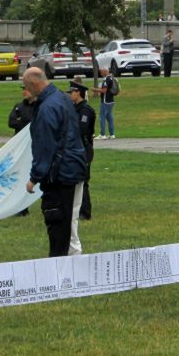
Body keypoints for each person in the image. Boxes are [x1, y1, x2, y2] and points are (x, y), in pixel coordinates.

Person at [21, 68, 88, 258]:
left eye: (26, 87)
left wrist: (34, 178)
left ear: (34, 85)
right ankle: (75, 259)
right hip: (75, 168)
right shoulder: (63, 99)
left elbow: (46, 146)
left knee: (57, 223)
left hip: (60, 174)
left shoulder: (46, 108)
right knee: (71, 220)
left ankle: (59, 270)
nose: (26, 91)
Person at [67, 80, 96, 253]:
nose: (70, 95)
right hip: (75, 150)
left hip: (84, 149)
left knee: (83, 181)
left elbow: (82, 130)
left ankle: (85, 211)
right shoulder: (74, 109)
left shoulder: (85, 111)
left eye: (72, 92)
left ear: (78, 93)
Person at [7, 82, 37, 216]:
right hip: (22, 148)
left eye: (27, 89)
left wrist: (23, 121)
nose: (24, 92)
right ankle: (21, 208)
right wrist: (25, 122)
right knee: (21, 176)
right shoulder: (19, 106)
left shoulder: (40, 106)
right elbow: (11, 122)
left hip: (36, 145)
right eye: (23, 90)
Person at [96, 67, 119, 140]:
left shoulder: (106, 79)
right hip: (111, 101)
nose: (100, 73)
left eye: (101, 72)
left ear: (105, 71)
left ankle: (102, 134)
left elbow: (104, 91)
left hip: (105, 101)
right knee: (109, 118)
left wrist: (95, 89)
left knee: (102, 117)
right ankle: (112, 134)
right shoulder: (112, 78)